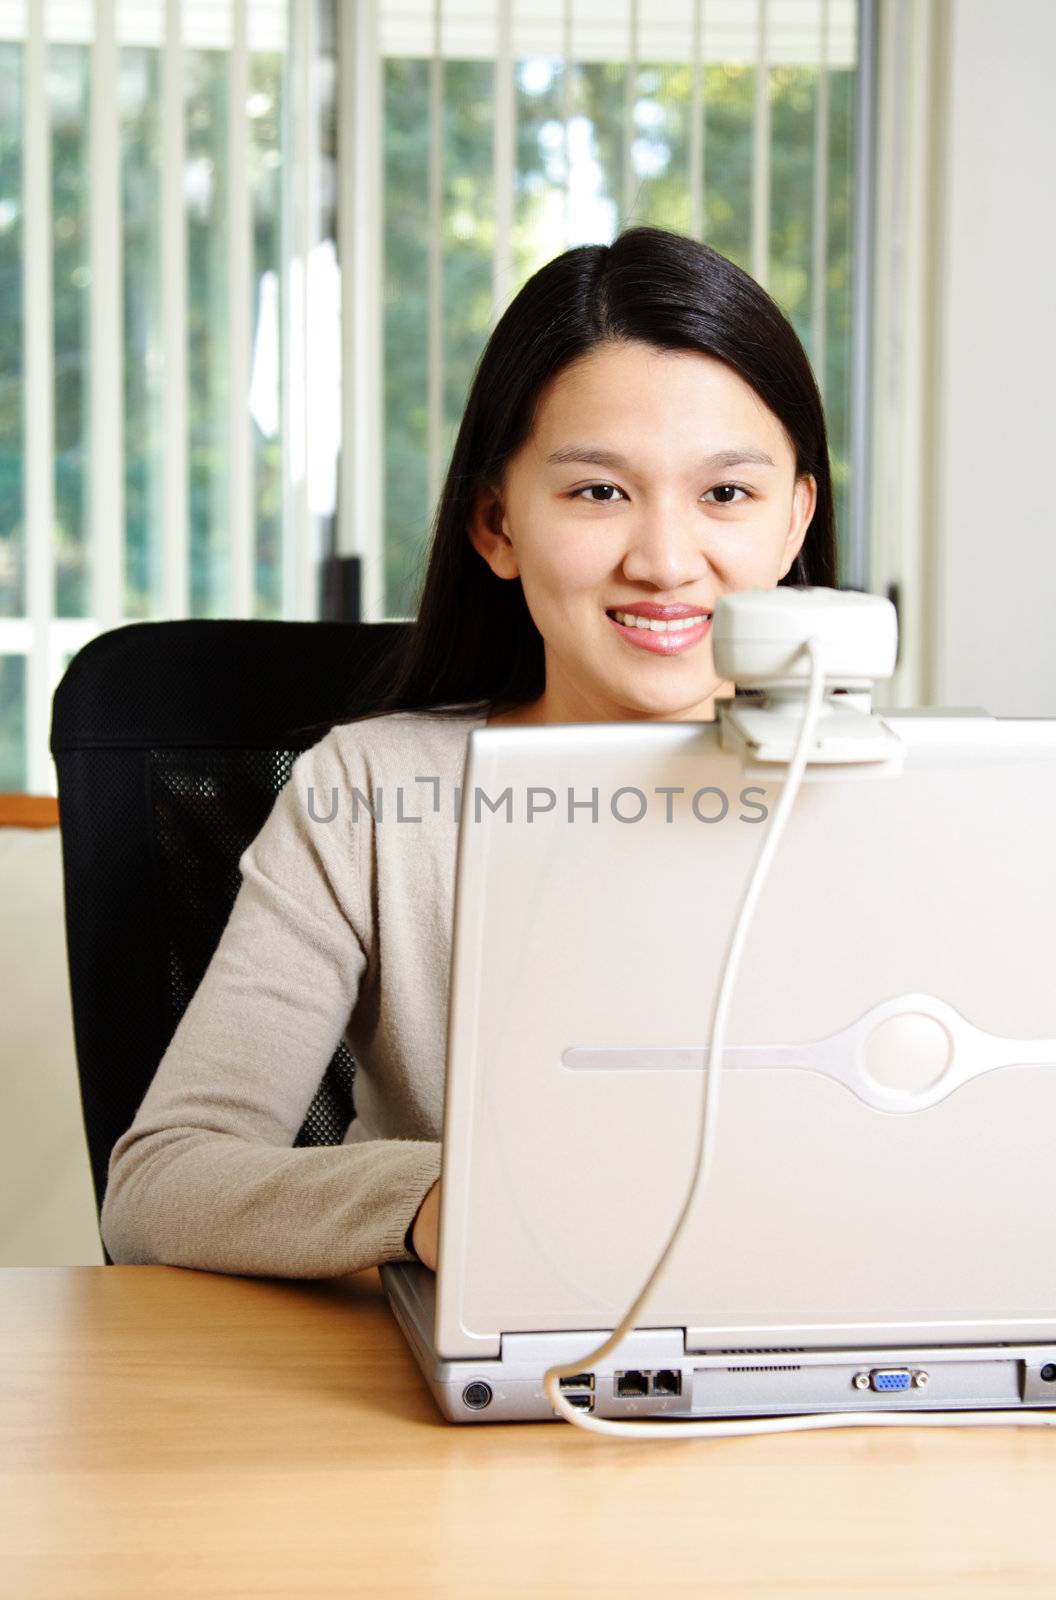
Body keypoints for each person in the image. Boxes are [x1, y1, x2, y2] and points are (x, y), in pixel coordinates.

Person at [100, 225, 837, 1279]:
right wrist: (442, 1201)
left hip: (823, 1370)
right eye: (598, 491)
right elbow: (160, 1185)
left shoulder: (891, 800)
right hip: (470, 1380)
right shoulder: (372, 794)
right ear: (496, 523)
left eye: (725, 493)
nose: (667, 560)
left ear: (791, 521)